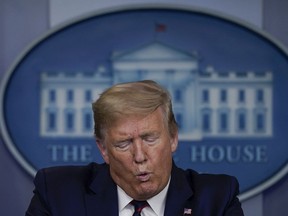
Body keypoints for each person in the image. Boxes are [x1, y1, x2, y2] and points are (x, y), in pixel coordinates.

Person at [26, 80, 244, 216]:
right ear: (103, 149)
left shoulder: (216, 199)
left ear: (173, 138)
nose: (140, 157)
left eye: (150, 139)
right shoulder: (57, 193)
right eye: (124, 143)